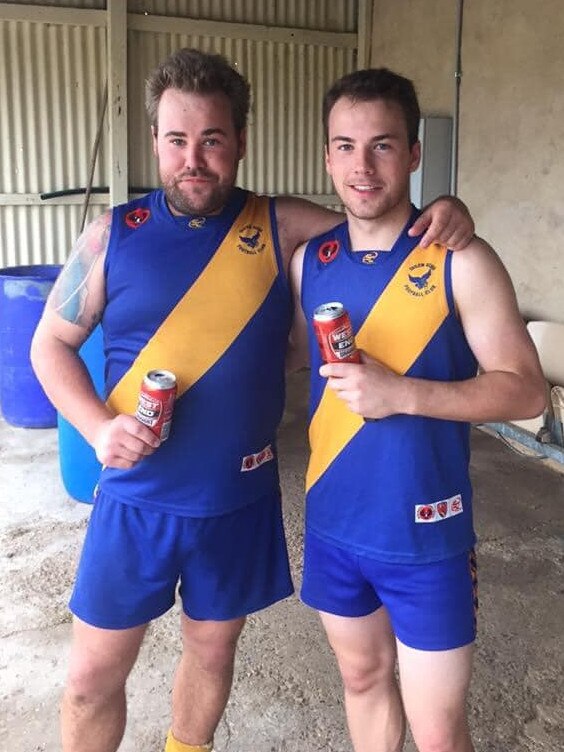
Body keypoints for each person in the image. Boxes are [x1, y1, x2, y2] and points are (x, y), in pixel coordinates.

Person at [30, 49, 476, 752]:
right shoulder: (112, 235)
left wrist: (445, 209)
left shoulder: (282, 224)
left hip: (236, 502)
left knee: (210, 655)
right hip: (135, 500)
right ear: (156, 142)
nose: (194, 159)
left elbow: (376, 215)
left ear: (240, 142)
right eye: (178, 140)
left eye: (212, 139)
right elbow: (47, 346)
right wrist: (94, 427)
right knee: (89, 677)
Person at [288, 67, 546, 752]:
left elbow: (526, 390)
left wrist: (403, 393)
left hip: (427, 537)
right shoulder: (308, 261)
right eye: (344, 146)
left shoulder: (461, 259)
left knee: (437, 733)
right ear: (326, 156)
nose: (362, 166)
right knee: (365, 683)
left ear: (414, 153)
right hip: (334, 526)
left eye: (382, 145)